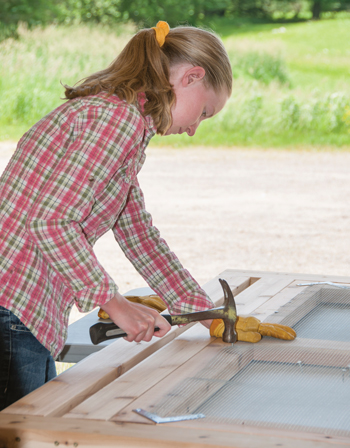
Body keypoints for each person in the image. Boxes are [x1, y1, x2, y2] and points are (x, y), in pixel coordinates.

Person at [0, 21, 232, 410]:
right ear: (192, 77)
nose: (194, 129)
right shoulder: (115, 121)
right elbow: (51, 222)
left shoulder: (121, 121)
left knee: (38, 424)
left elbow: (139, 234)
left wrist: (202, 312)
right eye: (204, 112)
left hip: (21, 312)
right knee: (23, 433)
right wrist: (116, 304)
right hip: (10, 310)